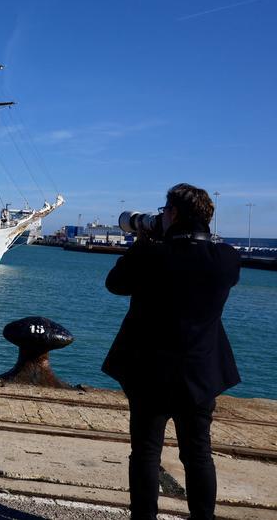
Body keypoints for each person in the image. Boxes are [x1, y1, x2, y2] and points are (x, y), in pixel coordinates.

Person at [103, 183, 241, 520]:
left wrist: (143, 243)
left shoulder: (150, 254)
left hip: (149, 372)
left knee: (147, 453)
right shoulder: (226, 259)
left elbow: (115, 284)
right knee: (198, 454)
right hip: (200, 373)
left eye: (165, 211)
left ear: (174, 213)